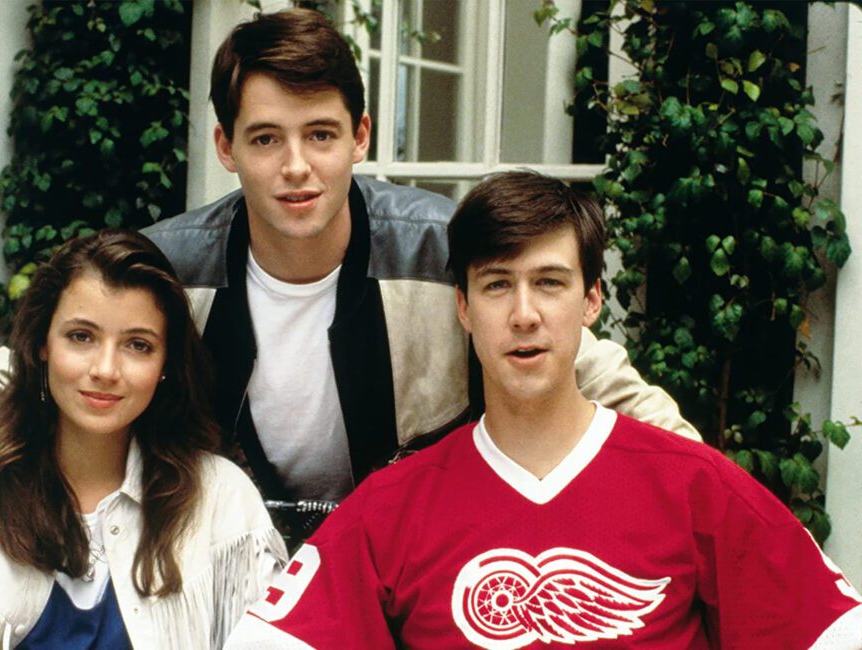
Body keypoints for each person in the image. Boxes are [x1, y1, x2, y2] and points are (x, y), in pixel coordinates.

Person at [0, 9, 697, 546]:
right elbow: (20, 370)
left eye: (320, 135)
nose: (296, 167)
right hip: (226, 554)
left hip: (409, 549)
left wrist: (718, 498)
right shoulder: (172, 268)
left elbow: (592, 372)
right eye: (265, 138)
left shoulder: (441, 253)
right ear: (225, 147)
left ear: (361, 136)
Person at [224, 171, 862, 649]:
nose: (524, 314)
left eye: (549, 283)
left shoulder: (698, 488)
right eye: (497, 284)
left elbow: (832, 632)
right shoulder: (392, 510)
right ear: (464, 307)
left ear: (591, 302)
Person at [0, 230, 285, 649]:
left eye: (138, 345)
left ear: (166, 364)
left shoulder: (222, 502)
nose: (106, 369)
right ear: (42, 344)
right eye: (81, 337)